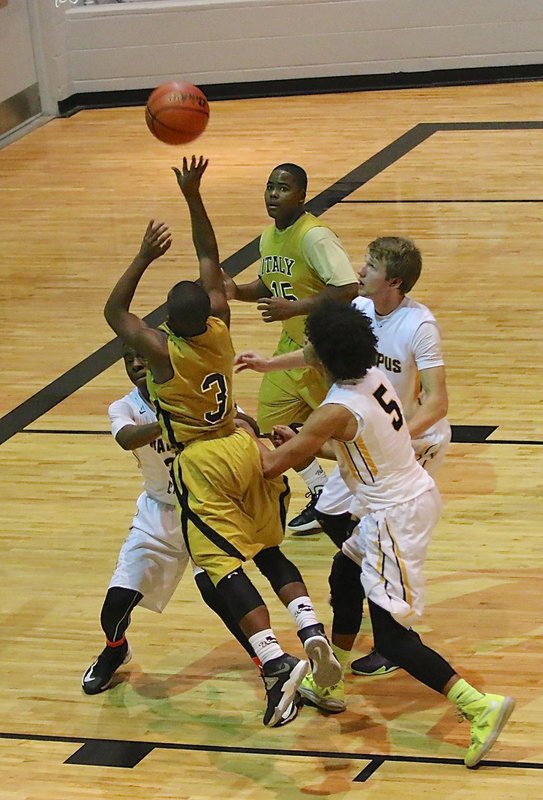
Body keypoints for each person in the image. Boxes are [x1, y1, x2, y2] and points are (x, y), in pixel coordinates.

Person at [102, 155, 341, 728]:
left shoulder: (164, 355)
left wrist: (142, 257)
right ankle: (310, 626)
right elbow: (211, 258)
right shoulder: (220, 328)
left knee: (217, 570)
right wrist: (193, 196)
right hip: (243, 443)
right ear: (207, 312)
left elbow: (114, 312)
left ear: (166, 325)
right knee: (268, 546)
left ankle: (275, 663)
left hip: (203, 461)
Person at [254, 299, 515, 769]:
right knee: (343, 571)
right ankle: (327, 680)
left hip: (395, 516)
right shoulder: (373, 378)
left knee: (393, 639)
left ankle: (479, 706)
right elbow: (359, 451)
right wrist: (299, 439)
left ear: (325, 356)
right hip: (402, 499)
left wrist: (239, 435)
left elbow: (272, 466)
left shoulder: (334, 409)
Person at [236, 236, 451, 679]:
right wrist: (268, 364)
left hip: (414, 444)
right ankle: (376, 576)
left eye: (369, 266)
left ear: (394, 279)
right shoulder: (360, 312)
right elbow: (321, 351)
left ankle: (393, 627)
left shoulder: (419, 325)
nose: (359, 270)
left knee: (375, 545)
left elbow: (437, 402)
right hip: (374, 435)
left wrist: (390, 437)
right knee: (332, 512)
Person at [82, 345, 262, 695]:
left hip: (204, 508)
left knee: (217, 593)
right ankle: (115, 650)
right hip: (158, 511)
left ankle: (267, 662)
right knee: (115, 605)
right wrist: (171, 421)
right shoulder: (124, 407)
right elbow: (125, 438)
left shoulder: (193, 390)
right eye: (128, 359)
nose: (135, 364)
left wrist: (224, 420)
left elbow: (248, 423)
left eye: (142, 357)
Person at [222, 163, 358, 535]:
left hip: (325, 351)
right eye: (269, 187)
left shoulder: (314, 237)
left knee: (347, 434)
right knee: (271, 424)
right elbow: (271, 284)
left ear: (301, 195)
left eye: (282, 188)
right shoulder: (269, 238)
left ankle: (364, 493)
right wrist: (237, 291)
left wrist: (295, 308)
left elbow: (347, 289)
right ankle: (319, 489)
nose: (273, 194)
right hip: (291, 344)